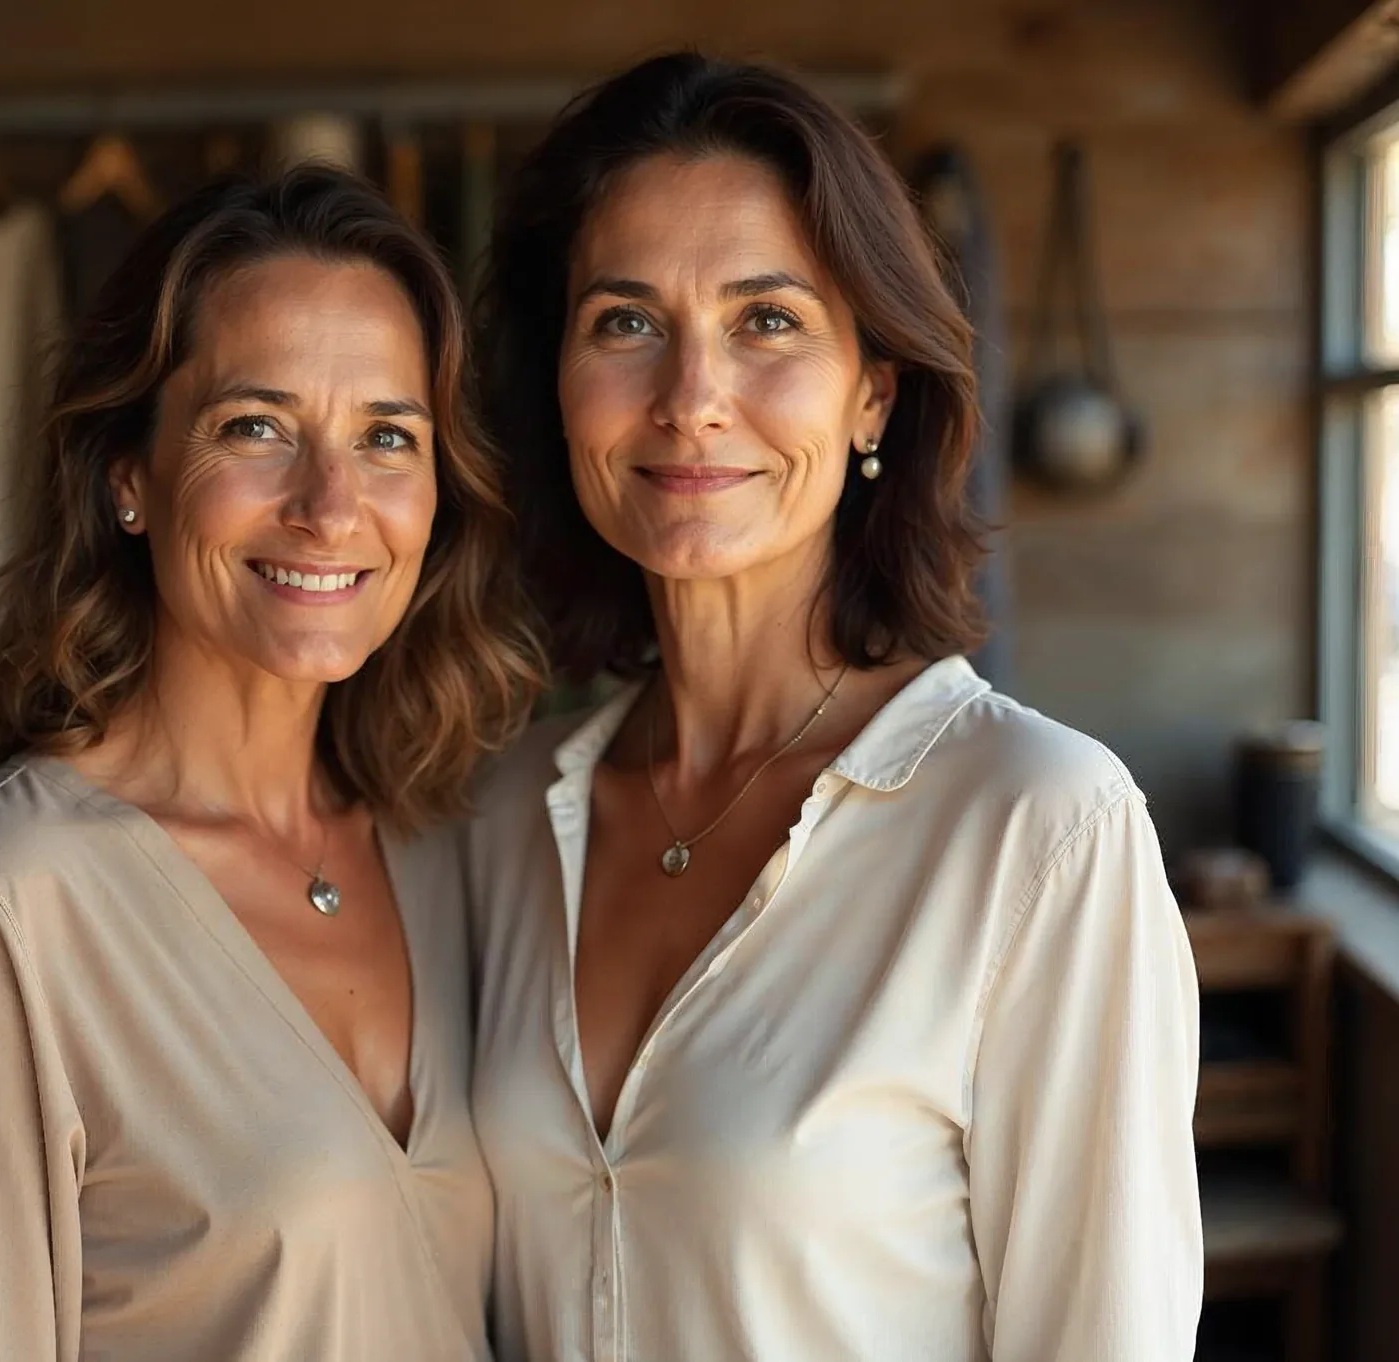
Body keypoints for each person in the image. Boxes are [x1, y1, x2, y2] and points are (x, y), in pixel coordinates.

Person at [466, 53, 1202, 1362]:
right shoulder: (501, 815)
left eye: (768, 320)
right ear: (561, 384)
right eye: (625, 320)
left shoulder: (1038, 827)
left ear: (874, 387)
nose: (691, 395)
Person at [0, 166, 542, 1362]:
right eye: (256, 428)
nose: (330, 505)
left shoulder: (450, 852)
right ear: (128, 479)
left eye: (387, 437)